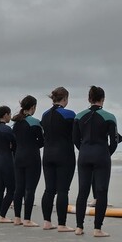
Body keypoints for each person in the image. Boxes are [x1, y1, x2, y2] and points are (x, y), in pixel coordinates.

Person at [72, 86, 121, 237]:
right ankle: (97, 229)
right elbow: (114, 141)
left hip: (84, 154)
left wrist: (84, 149)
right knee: (101, 191)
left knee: (83, 191)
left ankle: (79, 227)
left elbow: (75, 139)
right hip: (101, 155)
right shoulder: (109, 116)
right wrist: (106, 153)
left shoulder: (79, 116)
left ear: (89, 99)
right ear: (103, 99)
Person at [40, 87, 76, 231]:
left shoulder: (45, 114)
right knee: (62, 190)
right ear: (65, 98)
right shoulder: (69, 114)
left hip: (47, 154)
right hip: (64, 154)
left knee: (49, 189)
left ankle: (47, 222)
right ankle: (62, 224)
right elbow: (75, 134)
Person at [12, 95, 44, 227]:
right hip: (32, 157)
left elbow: (14, 143)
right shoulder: (35, 122)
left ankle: (17, 218)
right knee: (29, 189)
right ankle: (27, 219)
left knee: (18, 188)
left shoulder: (16, 123)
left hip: (18, 157)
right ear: (33, 107)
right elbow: (42, 141)